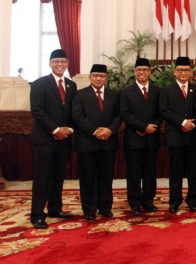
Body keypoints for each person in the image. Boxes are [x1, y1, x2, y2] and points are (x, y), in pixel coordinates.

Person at [29, 49, 77, 229]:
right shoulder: (39, 84)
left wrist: (69, 129)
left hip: (64, 140)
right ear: (50, 63)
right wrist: (55, 130)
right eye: (56, 61)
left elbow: (74, 111)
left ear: (67, 64)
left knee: (58, 176)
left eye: (63, 61)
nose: (60, 64)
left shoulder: (71, 85)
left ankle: (55, 208)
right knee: (42, 178)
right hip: (45, 139)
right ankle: (37, 215)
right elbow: (37, 110)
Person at [72, 64, 121, 220]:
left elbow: (119, 116)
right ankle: (89, 210)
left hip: (108, 141)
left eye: (102, 76)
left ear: (106, 78)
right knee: (88, 178)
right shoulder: (80, 95)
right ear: (90, 77)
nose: (98, 78)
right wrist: (95, 131)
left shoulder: (114, 95)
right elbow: (78, 117)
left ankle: (105, 207)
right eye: (95, 75)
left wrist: (109, 130)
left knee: (106, 177)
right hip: (87, 142)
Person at [120, 58, 162, 215]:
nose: (142, 72)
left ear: (150, 72)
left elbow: (161, 113)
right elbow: (125, 114)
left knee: (150, 171)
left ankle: (149, 201)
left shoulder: (157, 91)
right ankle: (135, 203)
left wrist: (152, 127)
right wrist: (143, 127)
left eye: (145, 69)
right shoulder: (126, 91)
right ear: (134, 72)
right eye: (139, 70)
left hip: (152, 138)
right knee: (134, 172)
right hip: (133, 138)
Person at [159, 56, 196, 213]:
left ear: (191, 72)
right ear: (175, 72)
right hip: (175, 135)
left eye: (187, 70)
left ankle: (192, 200)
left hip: (192, 135)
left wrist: (193, 123)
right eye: (181, 70)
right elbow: (165, 111)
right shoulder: (166, 90)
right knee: (175, 170)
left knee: (193, 170)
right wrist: (183, 122)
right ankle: (174, 200)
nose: (184, 73)